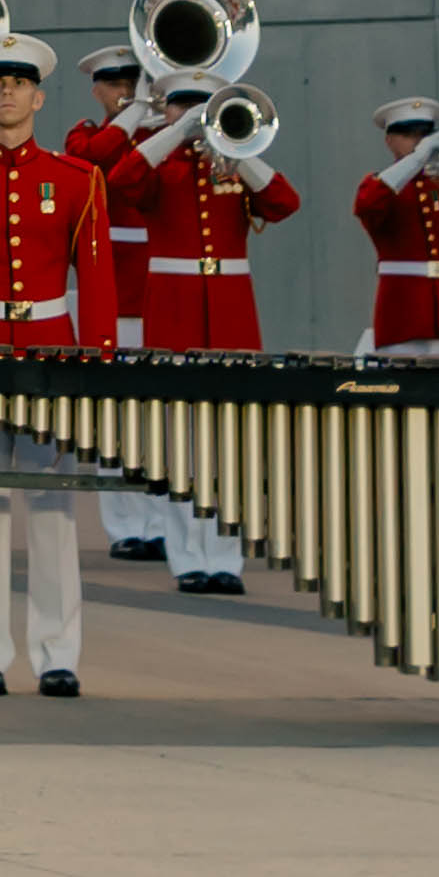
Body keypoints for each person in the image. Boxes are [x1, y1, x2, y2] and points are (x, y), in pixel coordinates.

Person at [0, 33, 115, 698]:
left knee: (53, 506)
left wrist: (95, 365)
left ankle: (56, 652)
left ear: (38, 95)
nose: (7, 91)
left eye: (19, 81)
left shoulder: (77, 179)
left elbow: (96, 281)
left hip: (53, 352)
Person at [128, 76, 300, 592]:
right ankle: (187, 561)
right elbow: (121, 180)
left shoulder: (234, 162)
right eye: (185, 106)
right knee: (180, 441)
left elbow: (284, 202)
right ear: (169, 110)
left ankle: (224, 560)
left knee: (232, 444)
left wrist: (239, 148)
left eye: (203, 107)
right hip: (173, 312)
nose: (196, 115)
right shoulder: (160, 161)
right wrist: (171, 133)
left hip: (230, 314)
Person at [67, 47, 169, 558]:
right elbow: (94, 161)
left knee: (161, 420)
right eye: (115, 83)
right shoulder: (87, 136)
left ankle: (163, 525)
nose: (125, 89)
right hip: (112, 291)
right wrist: (134, 114)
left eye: (133, 81)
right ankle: (126, 527)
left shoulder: (162, 138)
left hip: (160, 292)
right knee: (116, 420)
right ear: (97, 89)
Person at [355, 100, 439, 358]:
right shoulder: (379, 185)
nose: (417, 142)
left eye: (424, 135)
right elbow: (367, 205)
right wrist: (416, 159)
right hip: (402, 314)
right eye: (407, 134)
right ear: (389, 141)